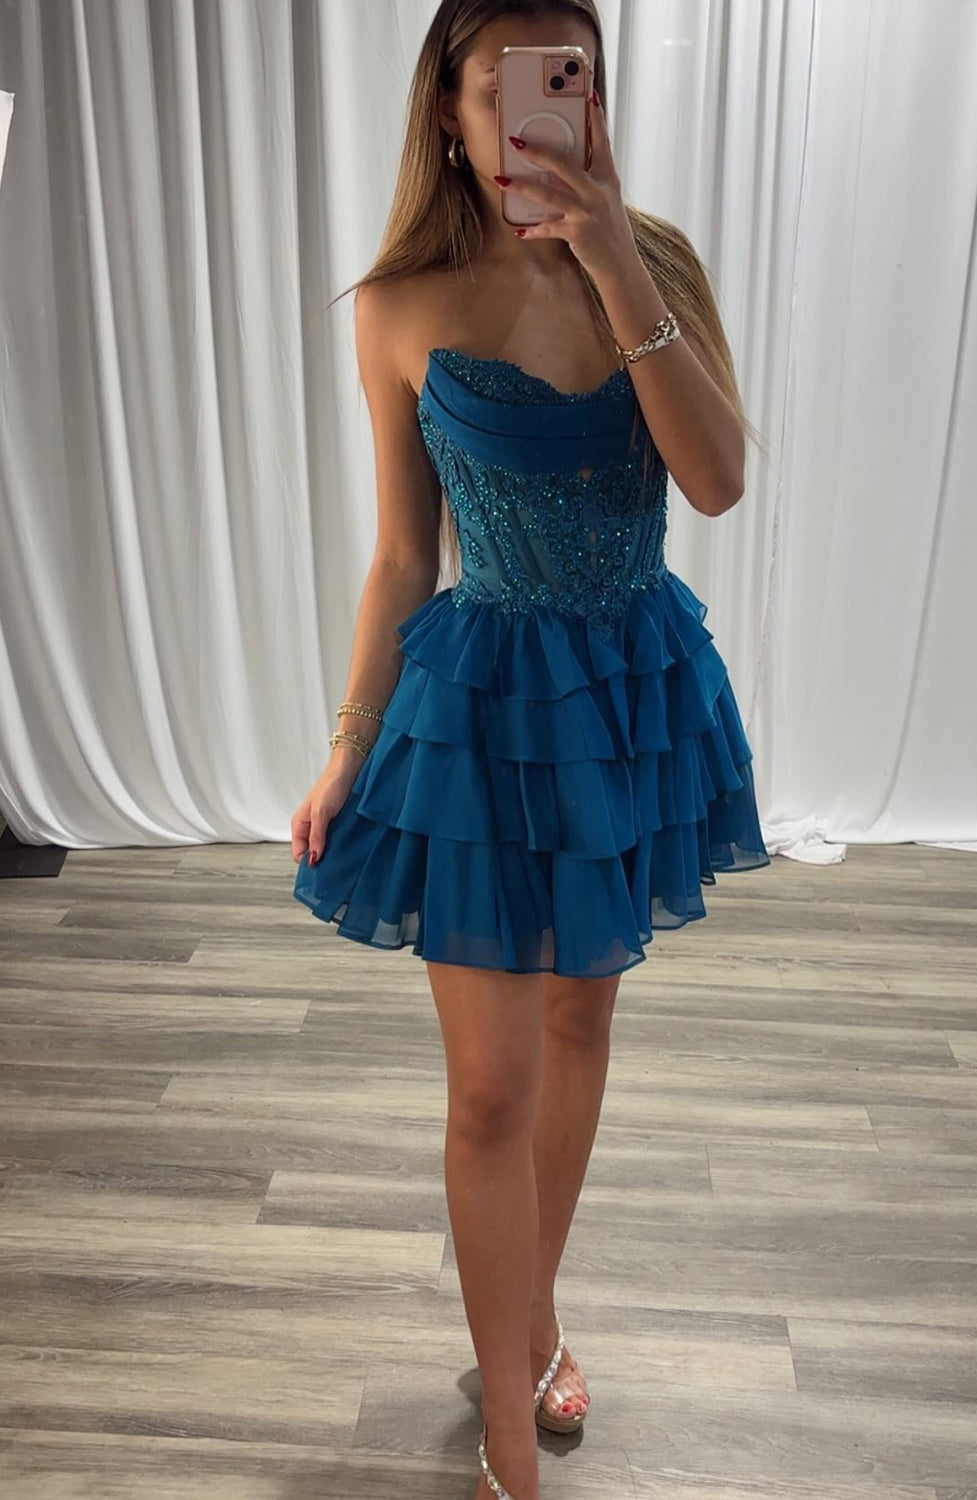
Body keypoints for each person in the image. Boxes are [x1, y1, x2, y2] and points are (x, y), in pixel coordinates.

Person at [290, 3, 771, 1495]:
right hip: (484, 705)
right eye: (502, 82)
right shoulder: (397, 304)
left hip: (627, 690)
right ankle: (510, 1432)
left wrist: (613, 251)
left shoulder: (657, 263)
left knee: (577, 1033)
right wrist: (347, 745)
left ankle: (534, 1322)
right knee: (489, 1087)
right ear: (449, 108)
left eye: (571, 78)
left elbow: (716, 480)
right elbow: (401, 556)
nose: (538, 109)